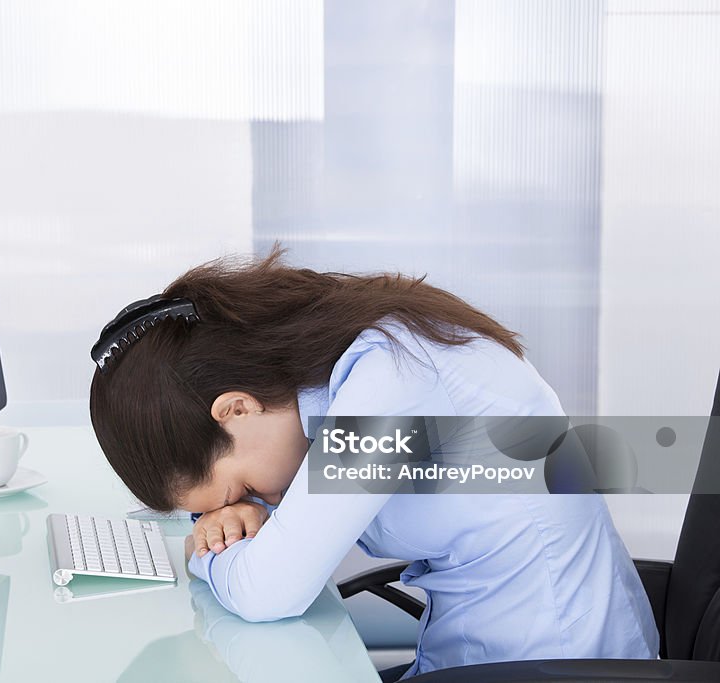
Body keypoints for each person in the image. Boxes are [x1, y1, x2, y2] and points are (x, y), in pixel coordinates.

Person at [89, 247, 658, 679]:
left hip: (549, 662)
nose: (248, 502)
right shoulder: (349, 373)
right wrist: (227, 520)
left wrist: (202, 554)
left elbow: (271, 593)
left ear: (236, 408)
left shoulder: (391, 382)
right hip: (479, 652)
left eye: (235, 488)